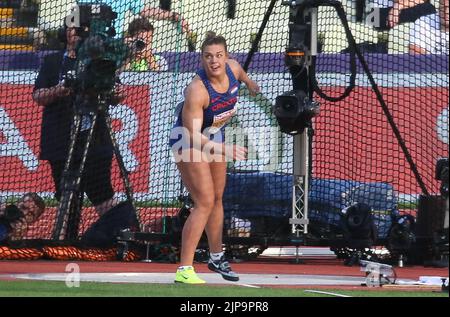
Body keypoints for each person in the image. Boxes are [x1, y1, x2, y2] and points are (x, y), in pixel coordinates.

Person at [169, 32, 260, 284]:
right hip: (188, 141)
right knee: (204, 202)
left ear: (226, 56)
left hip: (214, 135)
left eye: (219, 55)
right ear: (202, 58)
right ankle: (184, 269)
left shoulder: (233, 68)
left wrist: (252, 85)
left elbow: (242, 75)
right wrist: (225, 150)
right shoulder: (197, 90)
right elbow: (192, 135)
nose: (214, 61)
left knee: (218, 198)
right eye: (208, 57)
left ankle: (216, 256)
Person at [32, 24, 119, 222]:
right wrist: (59, 90)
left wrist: (111, 92)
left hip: (95, 139)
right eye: (73, 29)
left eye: (82, 29)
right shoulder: (53, 61)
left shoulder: (101, 61)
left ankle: (112, 236)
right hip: (61, 138)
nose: (78, 34)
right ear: (65, 33)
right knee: (66, 195)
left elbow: (117, 94)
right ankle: (65, 240)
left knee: (102, 193)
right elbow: (38, 96)